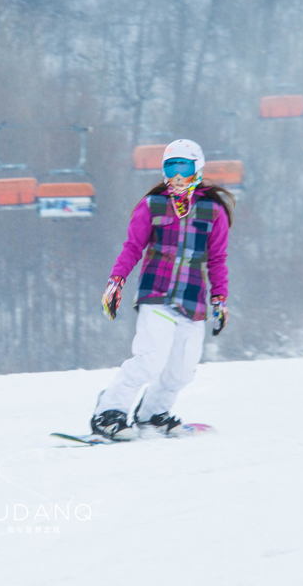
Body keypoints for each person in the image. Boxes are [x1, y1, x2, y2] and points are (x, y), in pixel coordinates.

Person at [93, 139, 233, 439]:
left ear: (197, 169)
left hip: (192, 300)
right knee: (150, 359)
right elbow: (132, 247)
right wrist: (116, 281)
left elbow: (217, 259)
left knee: (183, 370)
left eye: (184, 167)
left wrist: (219, 299)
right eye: (171, 167)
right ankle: (108, 412)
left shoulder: (213, 211)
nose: (177, 175)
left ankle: (152, 413)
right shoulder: (152, 205)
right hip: (156, 293)